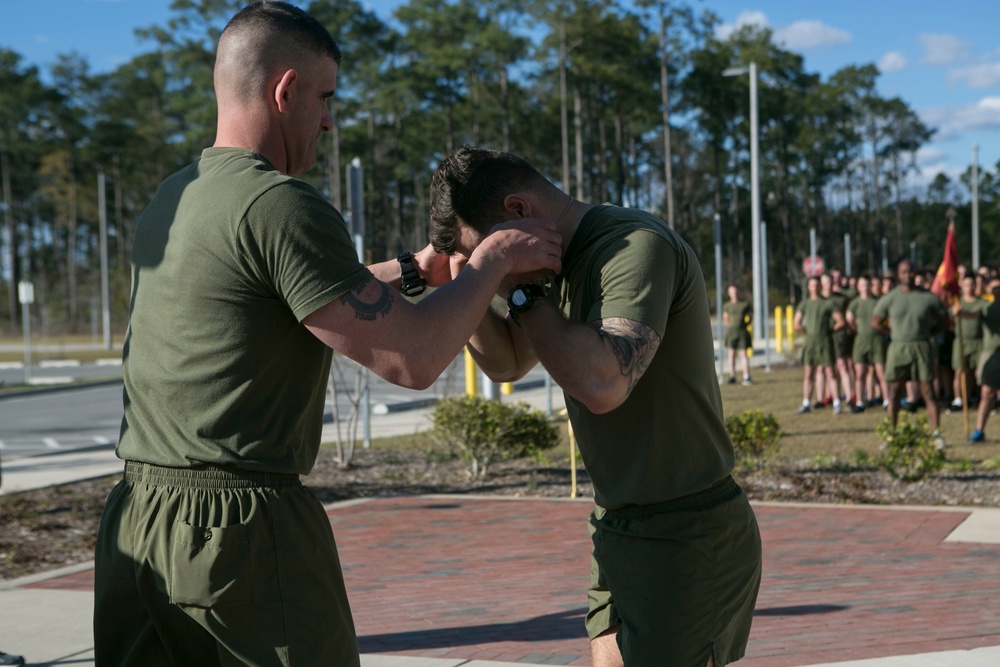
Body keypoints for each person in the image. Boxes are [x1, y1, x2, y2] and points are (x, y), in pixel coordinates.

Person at [92, 5, 562, 665]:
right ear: (284, 92)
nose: (329, 120)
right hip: (241, 535)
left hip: (137, 522)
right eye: (325, 97)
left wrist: (412, 272)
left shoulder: (175, 197)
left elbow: (278, 295)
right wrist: (493, 261)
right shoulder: (282, 202)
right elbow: (413, 357)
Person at [428, 146, 762, 667]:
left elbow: (602, 382)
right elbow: (511, 362)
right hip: (616, 522)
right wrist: (465, 284)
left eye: (487, 252)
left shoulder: (633, 246)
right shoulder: (549, 265)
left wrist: (515, 287)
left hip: (686, 529)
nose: (490, 269)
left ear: (518, 213)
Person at [871, 259, 948, 442]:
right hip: (898, 347)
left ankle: (936, 435)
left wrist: (931, 333)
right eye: (904, 272)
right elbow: (875, 322)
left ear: (916, 273)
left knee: (928, 391)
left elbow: (944, 320)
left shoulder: (928, 297)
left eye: (911, 272)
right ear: (898, 274)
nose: (908, 275)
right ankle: (892, 433)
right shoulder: (890, 298)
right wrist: (893, 333)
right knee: (895, 391)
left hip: (922, 346)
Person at [794, 276, 842, 414]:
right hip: (810, 342)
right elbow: (796, 323)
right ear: (808, 288)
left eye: (817, 285)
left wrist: (830, 331)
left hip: (825, 341)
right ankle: (806, 403)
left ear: (821, 287)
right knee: (808, 373)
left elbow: (840, 321)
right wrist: (806, 333)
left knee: (830, 372)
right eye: (812, 285)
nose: (815, 288)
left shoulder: (829, 303)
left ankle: (837, 402)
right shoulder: (805, 304)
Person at [846, 275, 887, 412]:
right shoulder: (855, 303)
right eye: (862, 284)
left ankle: (887, 401)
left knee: (881, 372)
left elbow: (885, 318)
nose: (865, 287)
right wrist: (856, 329)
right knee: (860, 373)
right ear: (858, 287)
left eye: (867, 284)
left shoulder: (878, 302)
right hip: (861, 340)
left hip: (877, 340)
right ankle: (859, 402)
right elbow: (849, 319)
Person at [949, 274, 987, 412]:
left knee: (978, 373)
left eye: (972, 284)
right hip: (961, 342)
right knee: (960, 372)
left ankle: (979, 398)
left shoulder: (981, 302)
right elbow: (948, 321)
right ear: (961, 286)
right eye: (966, 285)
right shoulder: (957, 302)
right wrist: (954, 312)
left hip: (978, 342)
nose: (969, 287)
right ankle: (959, 400)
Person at [971, 277, 1000, 442]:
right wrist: (960, 313)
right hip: (991, 355)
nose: (997, 291)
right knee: (987, 393)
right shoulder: (985, 306)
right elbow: (973, 314)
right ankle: (979, 430)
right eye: (994, 288)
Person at [722, 284, 753, 385]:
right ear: (729, 293)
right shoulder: (727, 306)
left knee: (743, 354)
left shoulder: (744, 305)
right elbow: (725, 318)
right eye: (732, 292)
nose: (734, 294)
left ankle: (746, 376)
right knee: (731, 354)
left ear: (739, 293)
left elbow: (750, 317)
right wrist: (731, 326)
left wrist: (745, 325)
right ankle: (732, 376)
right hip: (732, 332)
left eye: (736, 292)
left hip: (742, 332)